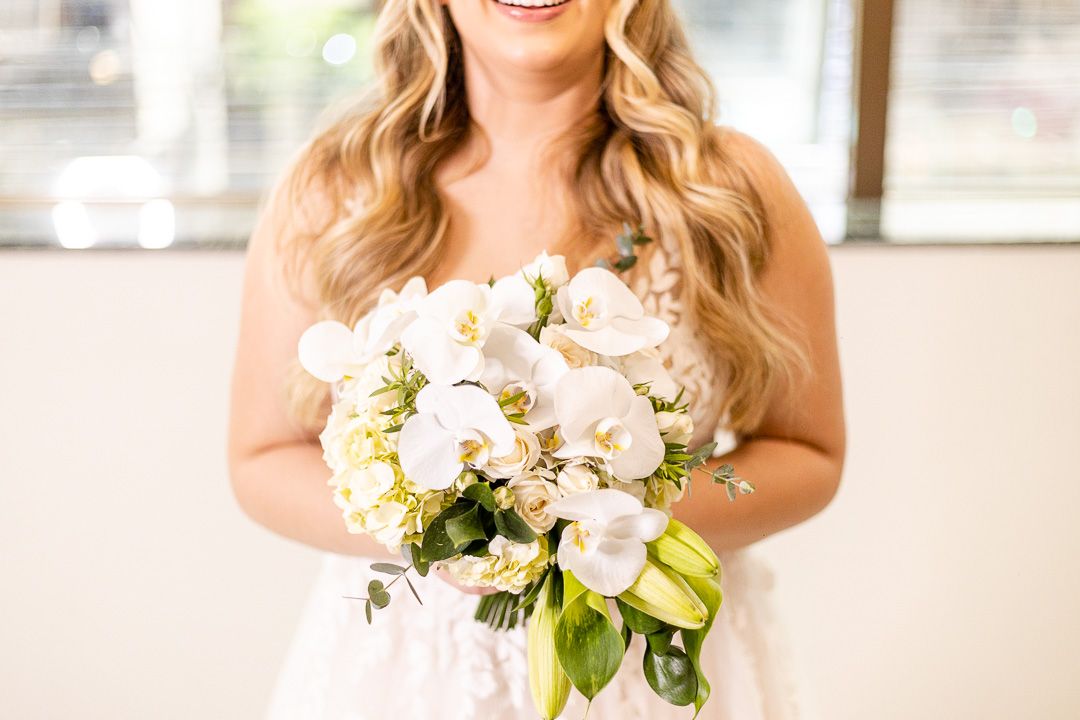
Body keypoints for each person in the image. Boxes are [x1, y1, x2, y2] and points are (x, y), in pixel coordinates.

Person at [227, 0, 845, 717]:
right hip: (409, 676)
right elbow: (261, 456)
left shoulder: (725, 190)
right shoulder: (337, 191)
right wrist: (444, 535)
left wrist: (596, 523)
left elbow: (809, 452)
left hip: (654, 675)